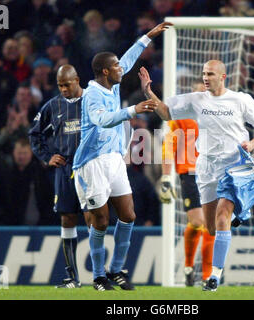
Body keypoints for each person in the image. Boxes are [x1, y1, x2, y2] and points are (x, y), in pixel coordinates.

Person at [139, 59, 254, 291]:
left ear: (223, 77)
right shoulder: (196, 100)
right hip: (206, 169)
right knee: (211, 228)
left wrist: (253, 142)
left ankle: (214, 276)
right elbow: (166, 113)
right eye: (203, 74)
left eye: (210, 74)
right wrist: (149, 92)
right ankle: (242, 211)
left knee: (222, 216)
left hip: (233, 166)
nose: (205, 78)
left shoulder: (240, 100)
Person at [72, 21, 172, 291]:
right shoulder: (92, 95)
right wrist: (133, 110)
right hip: (91, 163)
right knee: (101, 220)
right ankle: (97, 276)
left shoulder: (112, 84)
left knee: (128, 215)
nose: (121, 69)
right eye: (116, 67)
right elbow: (103, 120)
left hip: (114, 158)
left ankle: (116, 270)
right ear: (105, 71)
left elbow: (127, 58)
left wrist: (148, 36)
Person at [29, 65, 87, 289]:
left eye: (67, 84)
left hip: (90, 168)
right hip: (65, 169)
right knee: (67, 219)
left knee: (94, 219)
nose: (63, 89)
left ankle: (101, 274)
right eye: (60, 85)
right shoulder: (52, 106)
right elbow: (34, 133)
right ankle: (73, 277)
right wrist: (47, 157)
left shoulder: (91, 101)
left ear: (77, 80)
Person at [160, 79, 214, 286]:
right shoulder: (181, 118)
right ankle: (189, 266)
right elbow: (168, 147)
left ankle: (208, 277)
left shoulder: (218, 117)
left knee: (212, 226)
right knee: (199, 222)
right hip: (190, 173)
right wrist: (166, 178)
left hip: (213, 175)